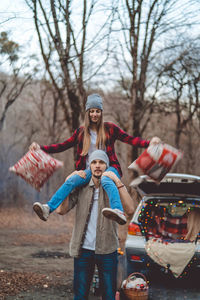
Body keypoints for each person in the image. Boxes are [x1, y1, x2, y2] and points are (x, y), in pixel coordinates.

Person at [30, 93, 160, 224]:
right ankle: (48, 208)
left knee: (107, 178)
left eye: (97, 111)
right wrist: (40, 148)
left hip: (110, 167)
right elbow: (62, 146)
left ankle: (118, 211)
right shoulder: (81, 132)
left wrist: (149, 143)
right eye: (91, 111)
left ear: (101, 113)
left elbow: (130, 139)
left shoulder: (110, 128)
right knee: (71, 180)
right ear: (87, 113)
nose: (94, 114)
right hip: (89, 169)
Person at [56, 149, 134, 300]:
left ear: (107, 166)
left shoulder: (111, 188)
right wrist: (68, 182)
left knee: (109, 296)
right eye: (94, 162)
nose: (97, 165)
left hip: (108, 250)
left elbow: (130, 209)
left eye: (101, 162)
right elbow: (60, 210)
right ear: (89, 166)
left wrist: (117, 181)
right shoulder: (81, 187)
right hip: (83, 251)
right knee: (80, 296)